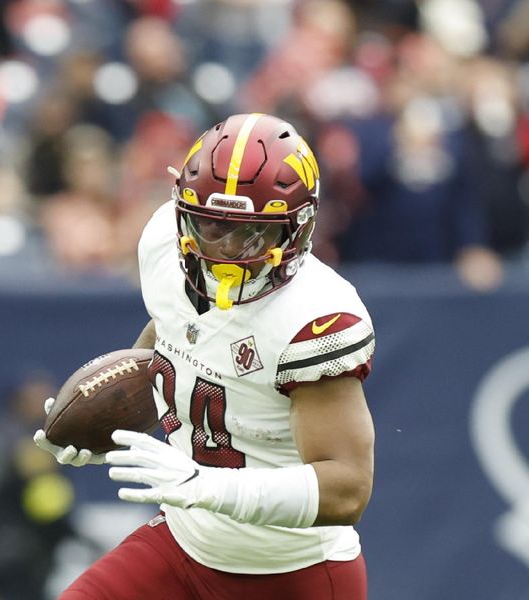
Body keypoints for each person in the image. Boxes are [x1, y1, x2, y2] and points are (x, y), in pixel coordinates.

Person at [34, 113, 376, 599]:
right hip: (181, 545)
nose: (225, 252)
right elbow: (172, 331)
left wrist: (204, 486)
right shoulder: (162, 246)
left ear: (297, 229)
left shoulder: (314, 317)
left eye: (252, 234)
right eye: (211, 226)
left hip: (292, 576)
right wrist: (113, 415)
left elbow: (348, 488)